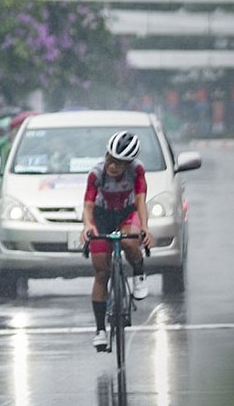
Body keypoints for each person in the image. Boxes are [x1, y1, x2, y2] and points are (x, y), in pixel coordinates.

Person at [79, 130, 153, 351]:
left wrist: (145, 228)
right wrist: (88, 226)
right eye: (110, 159)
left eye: (119, 163)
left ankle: (139, 272)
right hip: (102, 215)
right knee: (101, 272)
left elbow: (141, 202)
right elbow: (88, 206)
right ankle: (100, 329)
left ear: (128, 164)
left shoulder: (137, 171)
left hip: (127, 213)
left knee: (131, 242)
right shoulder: (96, 173)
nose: (112, 166)